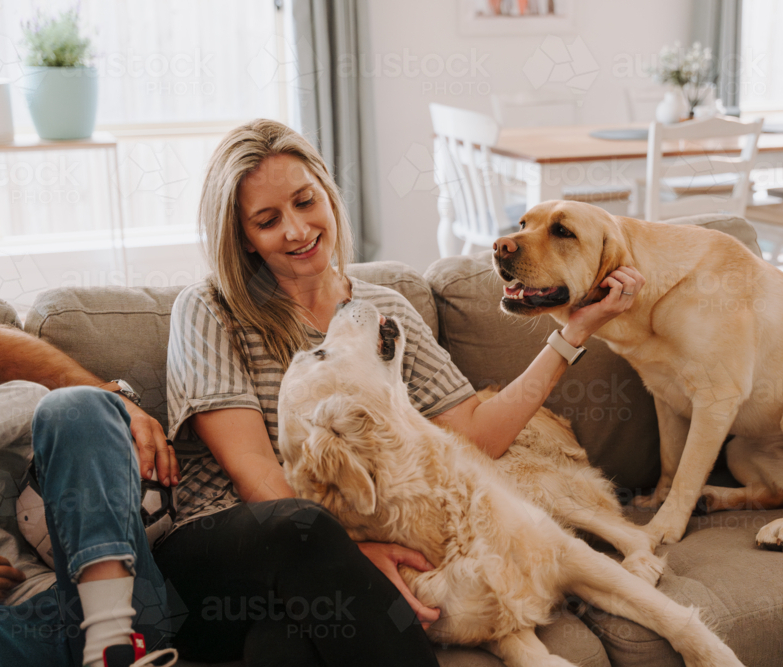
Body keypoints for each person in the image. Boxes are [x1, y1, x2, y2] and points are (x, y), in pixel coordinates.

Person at [157, 118, 645, 666]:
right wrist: (354, 557)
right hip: (221, 551)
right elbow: (255, 474)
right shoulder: (209, 309)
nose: (296, 230)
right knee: (306, 529)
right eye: (268, 221)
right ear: (243, 237)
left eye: (305, 201)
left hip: (308, 575)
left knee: (284, 646)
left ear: (325, 190)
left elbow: (475, 436)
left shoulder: (382, 312)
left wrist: (573, 333)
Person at [0, 324, 180, 667]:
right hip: (7, 632)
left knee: (77, 403)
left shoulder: (15, 400)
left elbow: (31, 398)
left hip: (103, 606)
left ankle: (111, 646)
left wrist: (117, 399)